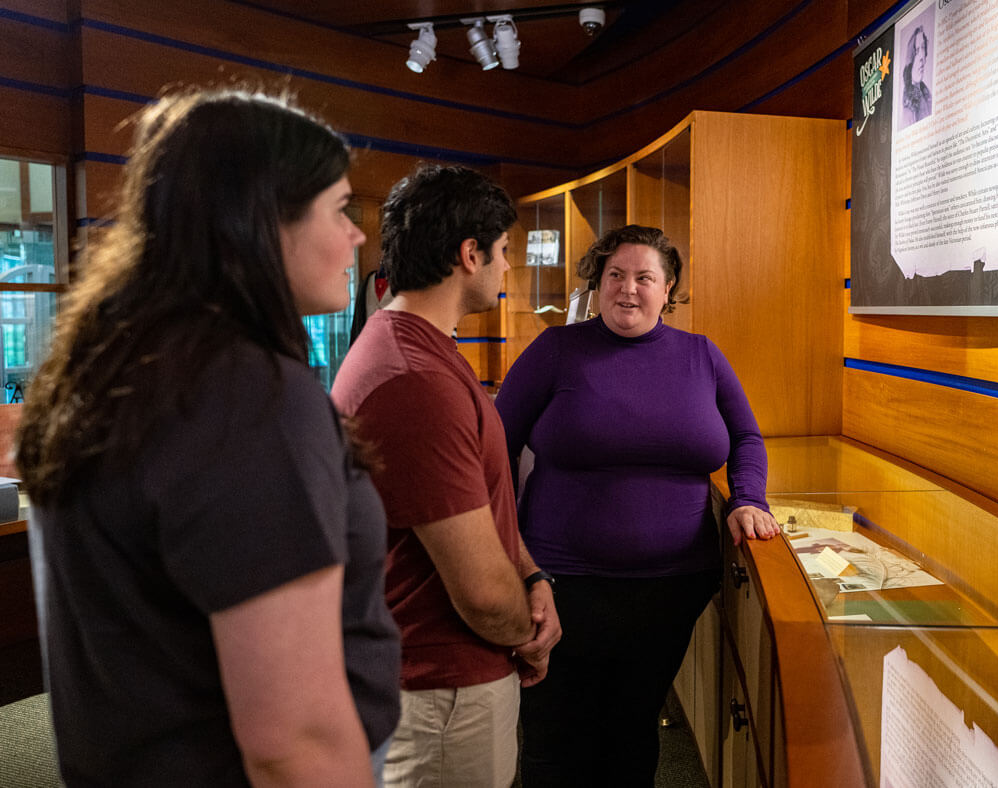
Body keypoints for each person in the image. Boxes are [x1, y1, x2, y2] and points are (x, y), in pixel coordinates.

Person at [15, 89, 400, 786]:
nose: (357, 238)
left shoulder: (118, 364)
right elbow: (293, 741)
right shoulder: (243, 394)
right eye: (340, 208)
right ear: (259, 221)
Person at [495, 224, 781, 786]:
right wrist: (508, 550)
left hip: (670, 590)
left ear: (667, 287)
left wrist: (748, 498)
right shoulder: (557, 350)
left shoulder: (701, 355)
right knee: (556, 736)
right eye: (615, 276)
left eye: (644, 277)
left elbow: (746, 437)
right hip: (561, 586)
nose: (628, 289)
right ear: (598, 285)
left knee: (632, 730)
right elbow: (494, 446)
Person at [331, 164, 561, 788]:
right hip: (441, 693)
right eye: (504, 251)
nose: (509, 267)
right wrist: (530, 634)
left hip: (445, 681)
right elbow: (483, 596)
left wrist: (533, 575)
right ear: (469, 253)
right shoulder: (415, 378)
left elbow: (478, 505)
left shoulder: (418, 348)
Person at [903, 25, 932, 125]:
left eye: (923, 48)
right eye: (917, 50)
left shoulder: (927, 94)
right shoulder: (907, 104)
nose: (921, 57)